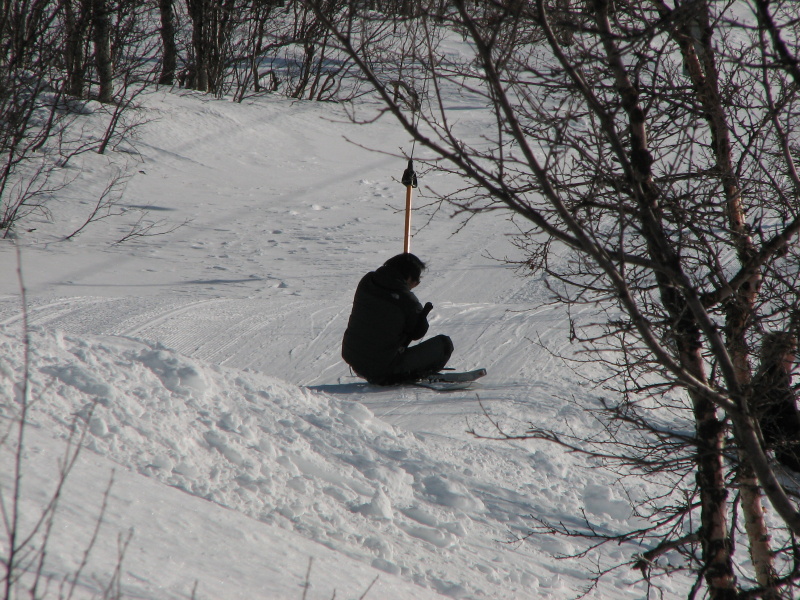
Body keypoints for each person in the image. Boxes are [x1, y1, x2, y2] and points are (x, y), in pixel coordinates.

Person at [342, 253, 453, 385]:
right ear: (409, 277)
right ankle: (402, 376)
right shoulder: (407, 300)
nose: (417, 284)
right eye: (417, 280)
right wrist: (420, 316)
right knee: (444, 344)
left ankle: (386, 372)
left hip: (353, 357)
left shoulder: (367, 281)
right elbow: (418, 333)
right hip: (382, 367)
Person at [752, 332, 800, 472]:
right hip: (790, 451)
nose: (793, 357)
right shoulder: (774, 381)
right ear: (782, 354)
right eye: (792, 352)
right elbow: (784, 422)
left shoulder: (769, 377)